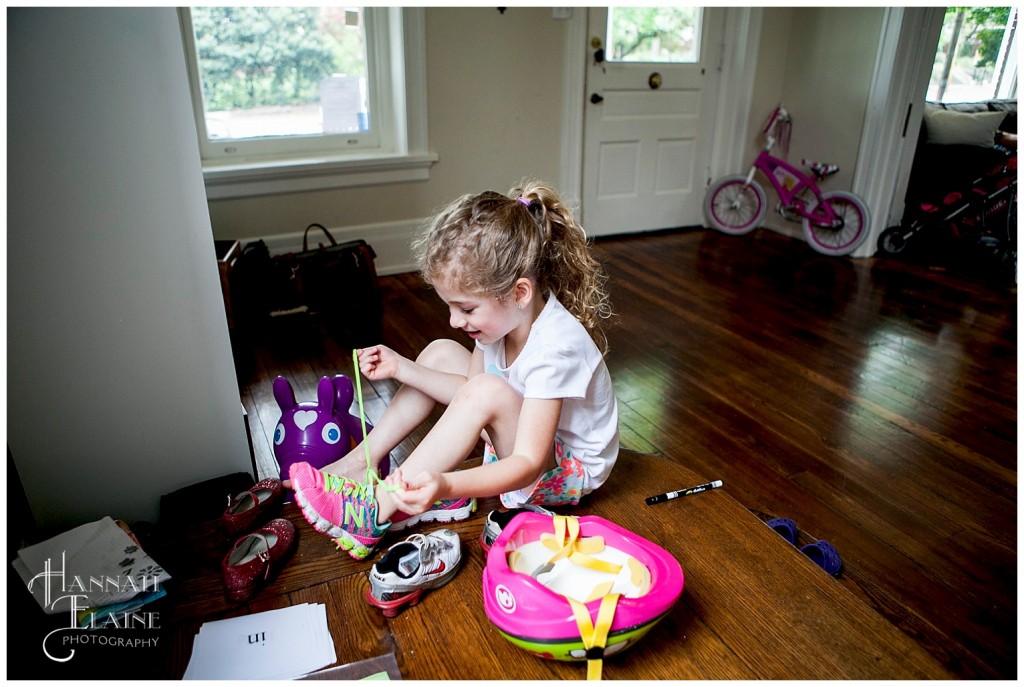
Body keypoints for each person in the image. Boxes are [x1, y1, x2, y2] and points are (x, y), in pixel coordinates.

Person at [286, 181, 619, 560]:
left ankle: (377, 507)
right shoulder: (503, 320)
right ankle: (357, 466)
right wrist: (403, 368)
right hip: (524, 433)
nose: (454, 320)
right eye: (450, 306)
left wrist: (445, 483)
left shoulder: (555, 347)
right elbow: (468, 392)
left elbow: (528, 462)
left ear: (519, 293)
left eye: (466, 309)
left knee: (488, 391)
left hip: (560, 470)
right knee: (441, 352)